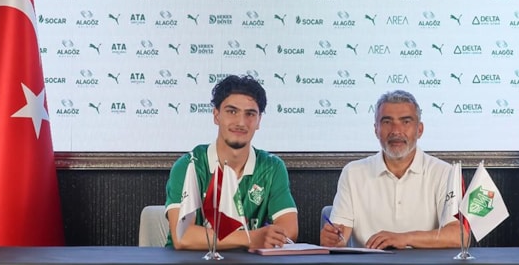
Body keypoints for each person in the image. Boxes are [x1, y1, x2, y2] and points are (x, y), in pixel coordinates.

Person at [165, 74, 298, 249]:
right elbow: (182, 236)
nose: (241, 122)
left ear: (259, 121)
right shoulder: (189, 165)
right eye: (232, 111)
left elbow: (289, 230)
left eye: (250, 114)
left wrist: (269, 236)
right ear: (216, 115)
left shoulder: (272, 167)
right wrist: (250, 238)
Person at [320, 90, 463, 249]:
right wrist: (333, 239)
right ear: (376, 129)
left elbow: (458, 236)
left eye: (405, 122)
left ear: (420, 130)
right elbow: (339, 238)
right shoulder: (353, 173)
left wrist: (405, 238)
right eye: (387, 122)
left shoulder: (444, 173)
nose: (396, 130)